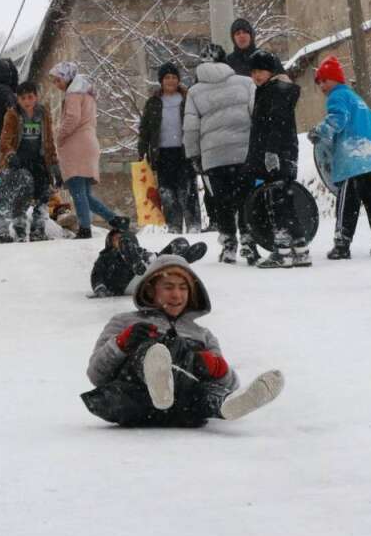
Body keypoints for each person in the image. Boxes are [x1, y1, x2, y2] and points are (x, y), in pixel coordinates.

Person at [81, 255, 285, 427]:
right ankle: (158, 380)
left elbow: (229, 383)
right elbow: (96, 374)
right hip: (135, 397)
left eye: (183, 288)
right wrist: (121, 343)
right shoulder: (124, 322)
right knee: (154, 348)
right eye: (168, 287)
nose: (176, 295)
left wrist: (217, 368)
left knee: (203, 386)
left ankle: (227, 405)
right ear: (151, 290)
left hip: (187, 404)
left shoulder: (203, 334)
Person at [304, 55, 371, 261]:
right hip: (370, 157)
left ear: (337, 80)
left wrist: (319, 131)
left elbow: (337, 118)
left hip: (353, 159)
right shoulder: (356, 98)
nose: (322, 86)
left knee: (347, 204)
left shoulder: (338, 95)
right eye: (319, 83)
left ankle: (342, 244)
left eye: (325, 80)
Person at [184, 43, 259, 265]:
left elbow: (190, 128)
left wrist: (194, 156)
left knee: (222, 201)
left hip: (214, 156)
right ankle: (248, 240)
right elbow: (256, 114)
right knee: (246, 197)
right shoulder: (246, 82)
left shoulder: (194, 92)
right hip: (243, 152)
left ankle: (228, 245)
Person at [48, 62, 129, 238]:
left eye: (58, 80)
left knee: (78, 192)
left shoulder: (73, 95)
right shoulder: (87, 93)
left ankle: (85, 229)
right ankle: (115, 220)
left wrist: (59, 136)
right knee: (84, 194)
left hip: (76, 145)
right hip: (88, 143)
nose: (56, 84)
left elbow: (72, 118)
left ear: (67, 77)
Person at [244, 49, 308, 269]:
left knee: (277, 202)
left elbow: (276, 124)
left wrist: (271, 153)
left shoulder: (276, 91)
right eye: (253, 72)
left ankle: (282, 252)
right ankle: (301, 250)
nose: (256, 76)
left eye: (260, 71)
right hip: (284, 154)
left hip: (277, 155)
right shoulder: (272, 90)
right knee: (286, 201)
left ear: (270, 71)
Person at [137, 62, 200, 233]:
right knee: (167, 193)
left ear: (178, 80)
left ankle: (194, 225)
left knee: (188, 190)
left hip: (184, 152)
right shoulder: (153, 102)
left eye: (174, 77)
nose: (170, 81)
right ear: (161, 81)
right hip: (162, 153)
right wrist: (141, 150)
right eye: (167, 77)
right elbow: (145, 129)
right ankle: (174, 226)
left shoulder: (188, 100)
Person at [0, 80, 58, 242]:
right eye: (23, 98)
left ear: (36, 97)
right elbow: (4, 141)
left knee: (43, 192)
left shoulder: (43, 114)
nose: (27, 102)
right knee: (22, 193)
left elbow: (49, 140)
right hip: (19, 161)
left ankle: (38, 228)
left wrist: (53, 162)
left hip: (38, 159)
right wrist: (11, 155)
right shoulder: (12, 114)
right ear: (18, 100)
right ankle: (19, 226)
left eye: (30, 97)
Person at [89, 230, 208, 298]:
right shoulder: (105, 257)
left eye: (120, 238)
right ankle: (138, 266)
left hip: (148, 277)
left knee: (180, 242)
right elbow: (96, 274)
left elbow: (152, 257)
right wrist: (100, 288)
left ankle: (179, 260)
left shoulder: (140, 252)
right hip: (127, 283)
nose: (118, 241)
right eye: (115, 239)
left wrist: (157, 257)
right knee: (140, 259)